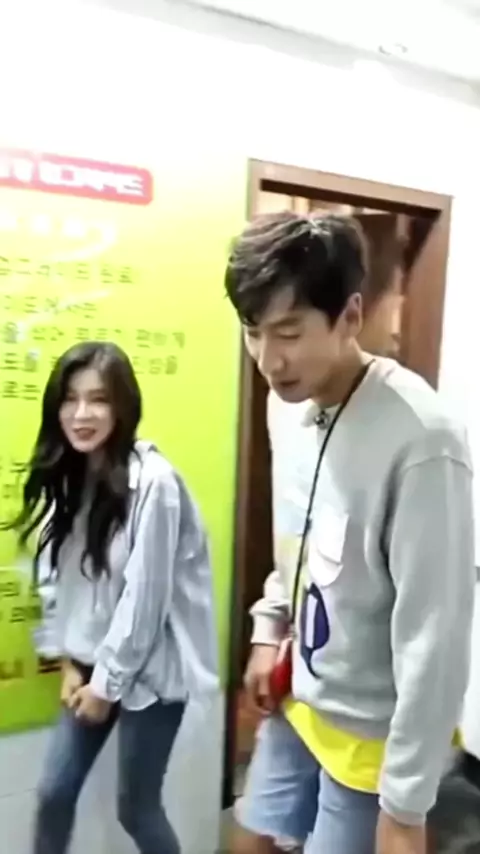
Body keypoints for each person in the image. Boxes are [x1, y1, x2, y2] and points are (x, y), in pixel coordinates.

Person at [224, 212, 475, 854]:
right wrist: (269, 628)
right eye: (253, 331)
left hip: (374, 735)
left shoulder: (424, 440)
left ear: (351, 316)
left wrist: (406, 803)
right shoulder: (289, 406)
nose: (269, 360)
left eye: (289, 332)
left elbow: (435, 638)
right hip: (302, 696)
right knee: (248, 838)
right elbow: (299, 539)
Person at [6, 341, 218, 854]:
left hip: (152, 670)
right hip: (90, 661)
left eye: (98, 399)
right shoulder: (70, 475)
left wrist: (106, 685)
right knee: (54, 793)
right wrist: (66, 660)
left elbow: (145, 603)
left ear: (122, 406)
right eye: (70, 399)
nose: (81, 414)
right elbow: (54, 577)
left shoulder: (155, 484)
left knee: (136, 808)